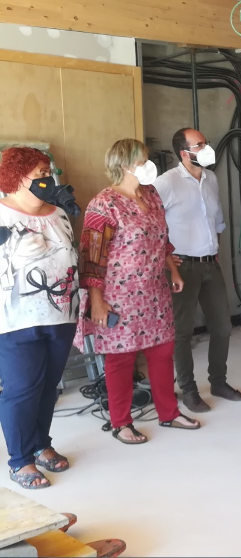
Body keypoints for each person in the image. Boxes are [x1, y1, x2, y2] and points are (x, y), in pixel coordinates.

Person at [76, 139, 200, 444]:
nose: (148, 165)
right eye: (142, 161)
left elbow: (163, 239)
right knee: (120, 359)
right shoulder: (104, 203)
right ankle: (121, 422)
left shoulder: (151, 195)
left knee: (162, 352)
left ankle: (168, 413)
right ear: (124, 165)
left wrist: (172, 270)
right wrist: (97, 302)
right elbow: (92, 257)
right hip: (118, 295)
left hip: (154, 292)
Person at [0, 147, 78, 488]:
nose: (48, 180)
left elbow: (71, 255)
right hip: (15, 321)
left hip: (61, 313)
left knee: (49, 386)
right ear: (15, 178)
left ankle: (41, 443)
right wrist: (15, 257)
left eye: (49, 173)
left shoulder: (58, 213)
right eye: (40, 175)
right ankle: (20, 459)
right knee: (21, 389)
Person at [154, 128, 241, 412]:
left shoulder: (211, 179)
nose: (207, 148)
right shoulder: (165, 183)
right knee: (182, 332)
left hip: (210, 262)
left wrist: (215, 249)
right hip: (181, 265)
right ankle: (189, 390)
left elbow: (216, 222)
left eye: (206, 143)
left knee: (222, 326)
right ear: (184, 153)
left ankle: (218, 381)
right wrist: (168, 261)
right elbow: (154, 228)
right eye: (200, 145)